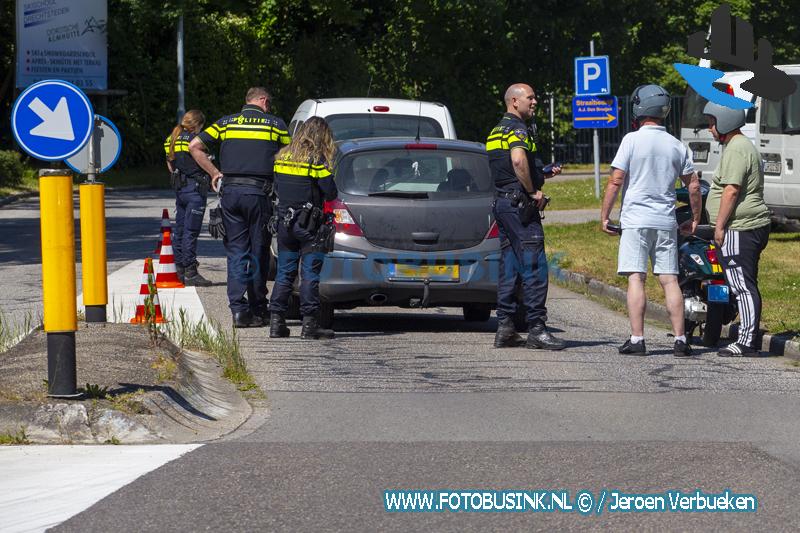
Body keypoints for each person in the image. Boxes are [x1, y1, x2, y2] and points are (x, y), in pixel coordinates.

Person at [601, 84, 701, 357]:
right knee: (669, 280)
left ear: (639, 107)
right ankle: (681, 340)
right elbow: (693, 185)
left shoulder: (631, 141)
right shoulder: (676, 145)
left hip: (635, 220)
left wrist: (605, 215)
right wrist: (694, 218)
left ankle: (637, 339)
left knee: (636, 277)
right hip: (665, 220)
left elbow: (616, 180)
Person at [189, 87, 290, 328]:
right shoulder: (275, 124)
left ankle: (238, 310)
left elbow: (194, 145)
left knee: (236, 252)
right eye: (269, 103)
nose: (269, 107)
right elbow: (291, 155)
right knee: (258, 251)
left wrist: (214, 172)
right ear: (263, 101)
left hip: (230, 194)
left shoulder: (226, 123)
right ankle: (258, 307)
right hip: (258, 195)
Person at [487, 83, 566, 350]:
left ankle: (505, 328)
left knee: (509, 266)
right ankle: (537, 330)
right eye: (530, 98)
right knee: (534, 267)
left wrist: (542, 172)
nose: (534, 102)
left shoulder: (497, 130)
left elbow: (507, 169)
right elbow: (518, 161)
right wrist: (533, 191)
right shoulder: (518, 129)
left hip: (502, 204)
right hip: (520, 206)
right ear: (514, 101)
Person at [703, 102, 771, 357]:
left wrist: (719, 226)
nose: (710, 129)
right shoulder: (740, 146)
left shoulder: (736, 148)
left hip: (739, 228)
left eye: (712, 123)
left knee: (742, 286)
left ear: (725, 121)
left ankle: (746, 341)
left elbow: (731, 190)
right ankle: (747, 338)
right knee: (745, 283)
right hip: (748, 226)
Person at [268, 117, 338, 339]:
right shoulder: (316, 161)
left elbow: (276, 187)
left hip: (285, 224)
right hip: (309, 227)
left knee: (284, 273)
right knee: (309, 275)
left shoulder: (281, 157)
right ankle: (309, 325)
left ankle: (276, 323)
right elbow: (331, 192)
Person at [164, 110, 212, 287]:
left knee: (180, 230)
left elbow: (170, 164)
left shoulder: (171, 138)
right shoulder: (195, 140)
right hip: (195, 189)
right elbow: (202, 160)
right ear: (197, 125)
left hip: (180, 188)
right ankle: (191, 272)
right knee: (191, 232)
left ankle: (179, 270)